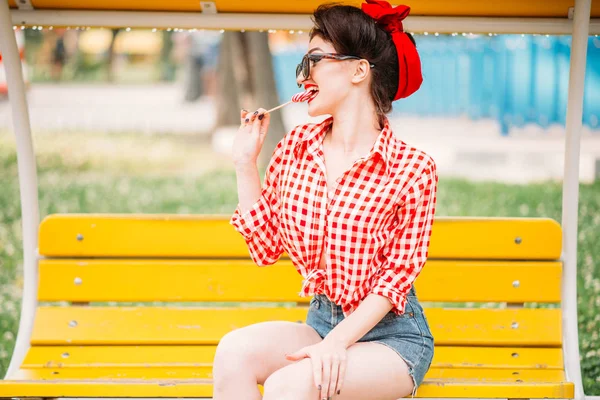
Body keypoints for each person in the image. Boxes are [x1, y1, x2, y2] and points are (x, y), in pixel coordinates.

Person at [214, 1, 438, 399]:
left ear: (358, 69)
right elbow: (265, 249)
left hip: (392, 339)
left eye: (314, 61)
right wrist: (245, 164)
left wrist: (336, 344)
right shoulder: (295, 148)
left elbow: (395, 279)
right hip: (321, 321)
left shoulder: (412, 169)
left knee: (292, 382)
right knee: (233, 352)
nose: (303, 77)